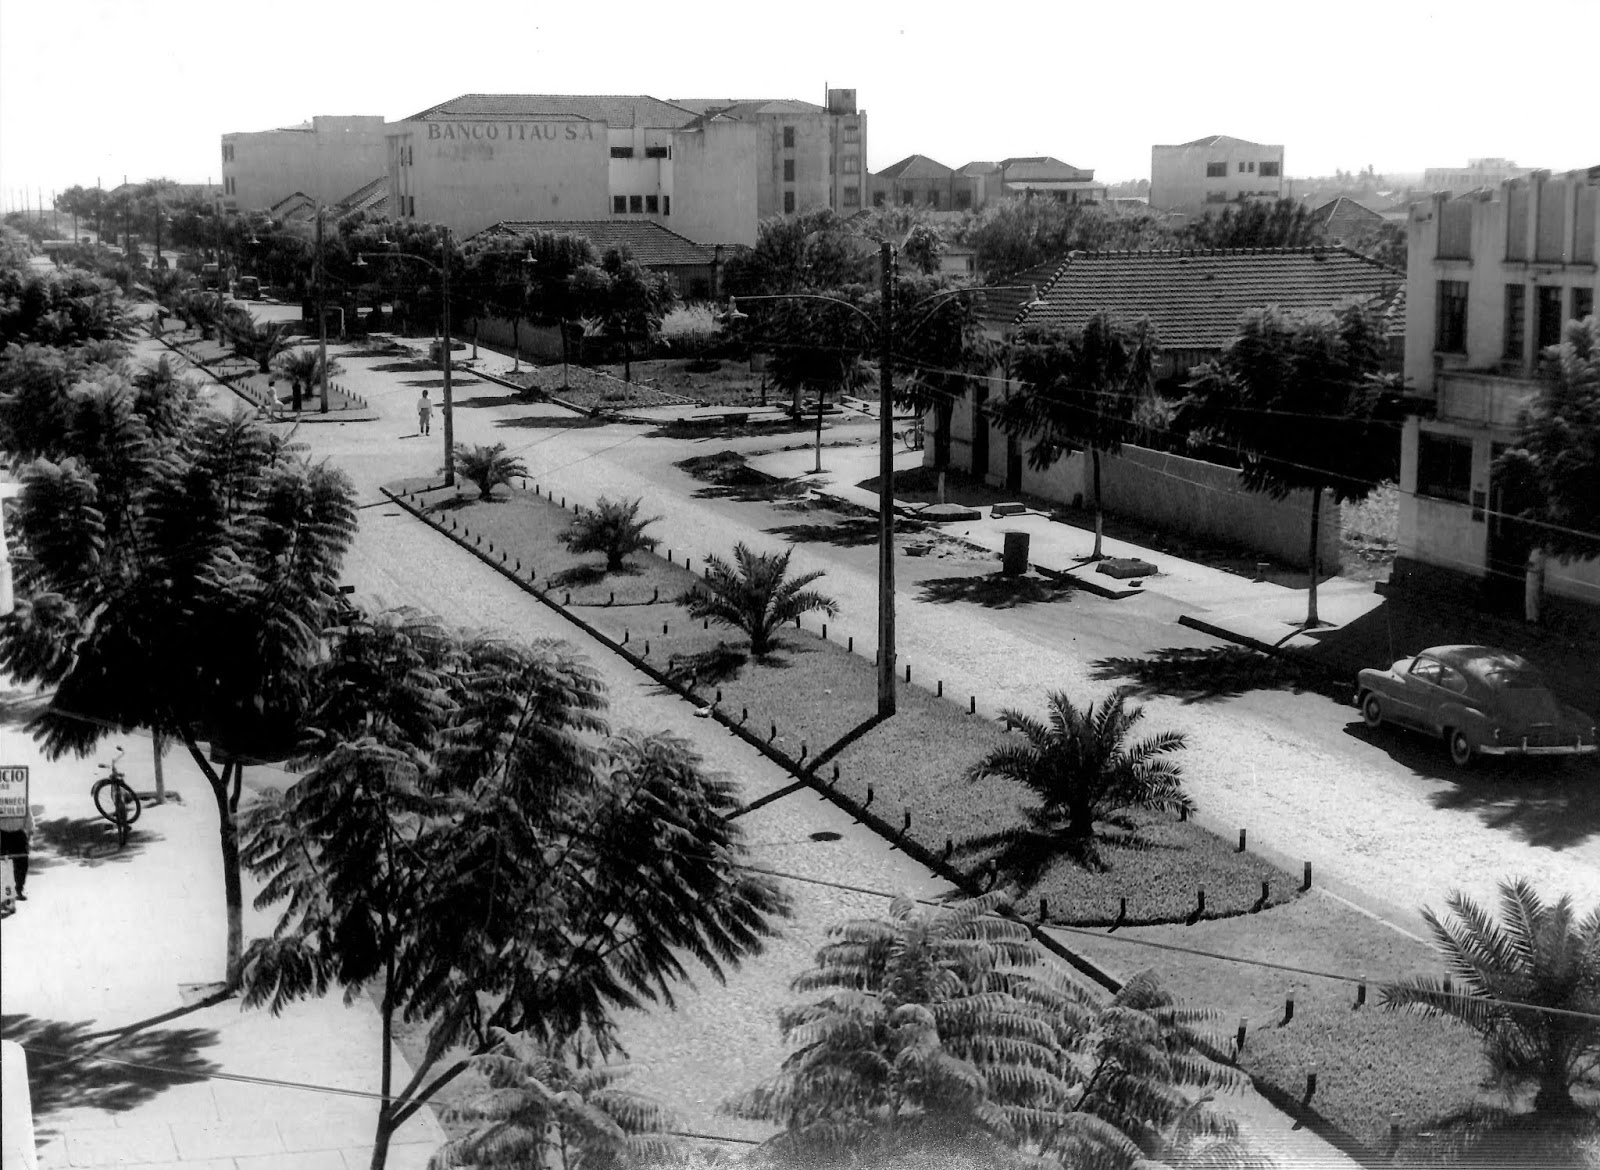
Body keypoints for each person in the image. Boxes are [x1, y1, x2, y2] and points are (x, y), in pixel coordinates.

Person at [0, 807, 34, 902]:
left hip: (19, 835)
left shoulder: (21, 800)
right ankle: (7, 894)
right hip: (2, 835)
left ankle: (18, 890)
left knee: (22, 865)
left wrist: (30, 834)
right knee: (4, 866)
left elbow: (28, 818)